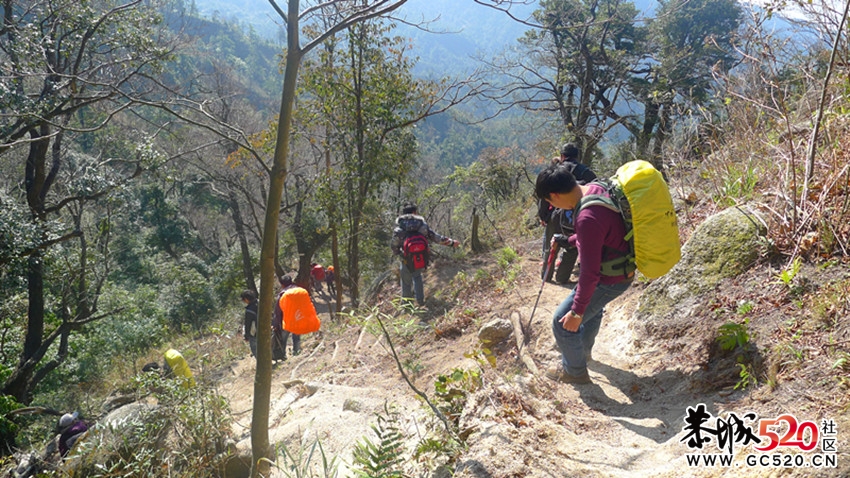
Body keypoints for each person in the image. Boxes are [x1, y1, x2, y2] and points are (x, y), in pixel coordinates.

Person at [535, 162, 633, 384]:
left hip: (609, 279)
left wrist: (577, 311)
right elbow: (598, 235)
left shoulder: (586, 217)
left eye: (550, 202)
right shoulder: (594, 190)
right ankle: (583, 353)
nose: (553, 206)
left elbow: (589, 274)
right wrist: (568, 240)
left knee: (562, 324)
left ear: (554, 195)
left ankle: (575, 372)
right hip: (621, 269)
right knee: (594, 311)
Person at [539, 143, 597, 284]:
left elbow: (546, 197)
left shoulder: (557, 171)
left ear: (562, 156)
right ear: (577, 156)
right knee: (571, 248)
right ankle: (562, 277)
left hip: (555, 216)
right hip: (578, 216)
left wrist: (543, 216)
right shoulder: (586, 172)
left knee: (550, 245)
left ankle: (546, 276)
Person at [390, 202, 460, 306]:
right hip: (420, 256)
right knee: (417, 277)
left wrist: (399, 254)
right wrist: (452, 243)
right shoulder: (422, 226)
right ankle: (420, 301)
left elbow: (394, 245)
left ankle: (407, 305)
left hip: (405, 257)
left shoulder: (399, 229)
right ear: (415, 212)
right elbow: (437, 238)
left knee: (405, 281)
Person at [273, 275, 300, 359]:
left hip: (286, 319)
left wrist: (276, 323)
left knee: (283, 339)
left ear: (282, 284)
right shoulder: (298, 291)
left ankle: (283, 355)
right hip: (297, 317)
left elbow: (278, 310)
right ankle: (297, 351)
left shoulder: (282, 294)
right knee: (296, 336)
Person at [241, 290, 258, 357]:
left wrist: (246, 335)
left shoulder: (249, 311)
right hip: (267, 329)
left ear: (246, 299)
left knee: (255, 349)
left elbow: (248, 324)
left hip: (255, 333)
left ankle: (261, 365)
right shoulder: (261, 303)